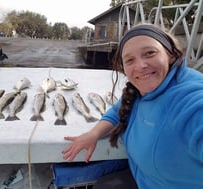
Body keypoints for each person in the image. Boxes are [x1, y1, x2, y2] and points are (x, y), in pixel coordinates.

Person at [62, 23, 203, 189]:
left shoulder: (191, 102)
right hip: (144, 179)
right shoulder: (140, 90)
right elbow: (117, 111)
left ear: (170, 54)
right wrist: (94, 133)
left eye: (150, 53)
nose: (141, 66)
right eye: (130, 60)